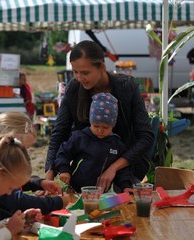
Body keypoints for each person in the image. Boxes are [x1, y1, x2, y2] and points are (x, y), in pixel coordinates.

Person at [45, 40, 154, 192]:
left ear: (102, 67)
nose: (79, 77)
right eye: (75, 72)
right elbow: (59, 133)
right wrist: (48, 178)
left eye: (85, 72)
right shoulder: (74, 88)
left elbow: (146, 137)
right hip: (85, 177)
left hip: (125, 173)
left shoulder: (127, 86)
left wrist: (114, 168)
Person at [0, 112, 72, 220]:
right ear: (9, 142)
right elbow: (15, 200)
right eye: (23, 149)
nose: (24, 155)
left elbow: (13, 184)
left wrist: (39, 183)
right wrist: (58, 202)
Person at [55, 93, 135, 193]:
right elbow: (63, 153)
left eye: (106, 127)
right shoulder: (80, 137)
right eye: (96, 126)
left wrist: (125, 186)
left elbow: (122, 170)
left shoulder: (117, 144)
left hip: (101, 194)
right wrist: (64, 170)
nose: (100, 130)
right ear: (90, 122)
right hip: (75, 190)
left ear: (113, 126)